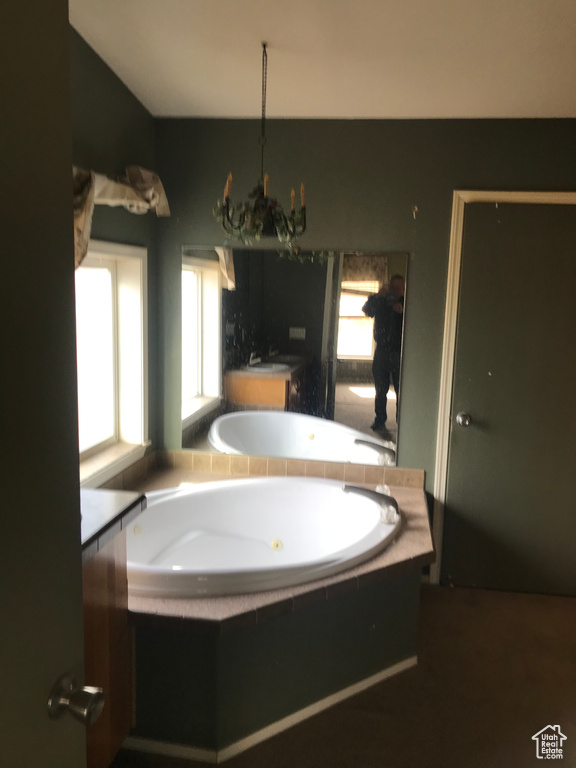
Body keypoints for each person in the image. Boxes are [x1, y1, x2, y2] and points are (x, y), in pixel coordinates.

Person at [362, 274, 405, 433]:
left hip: (401, 353)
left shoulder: (409, 303)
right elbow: (366, 311)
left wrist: (403, 312)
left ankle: (403, 422)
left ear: (404, 289)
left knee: (402, 390)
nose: (394, 291)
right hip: (382, 351)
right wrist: (377, 296)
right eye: (392, 288)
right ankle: (380, 419)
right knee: (380, 389)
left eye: (398, 288)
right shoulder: (381, 301)